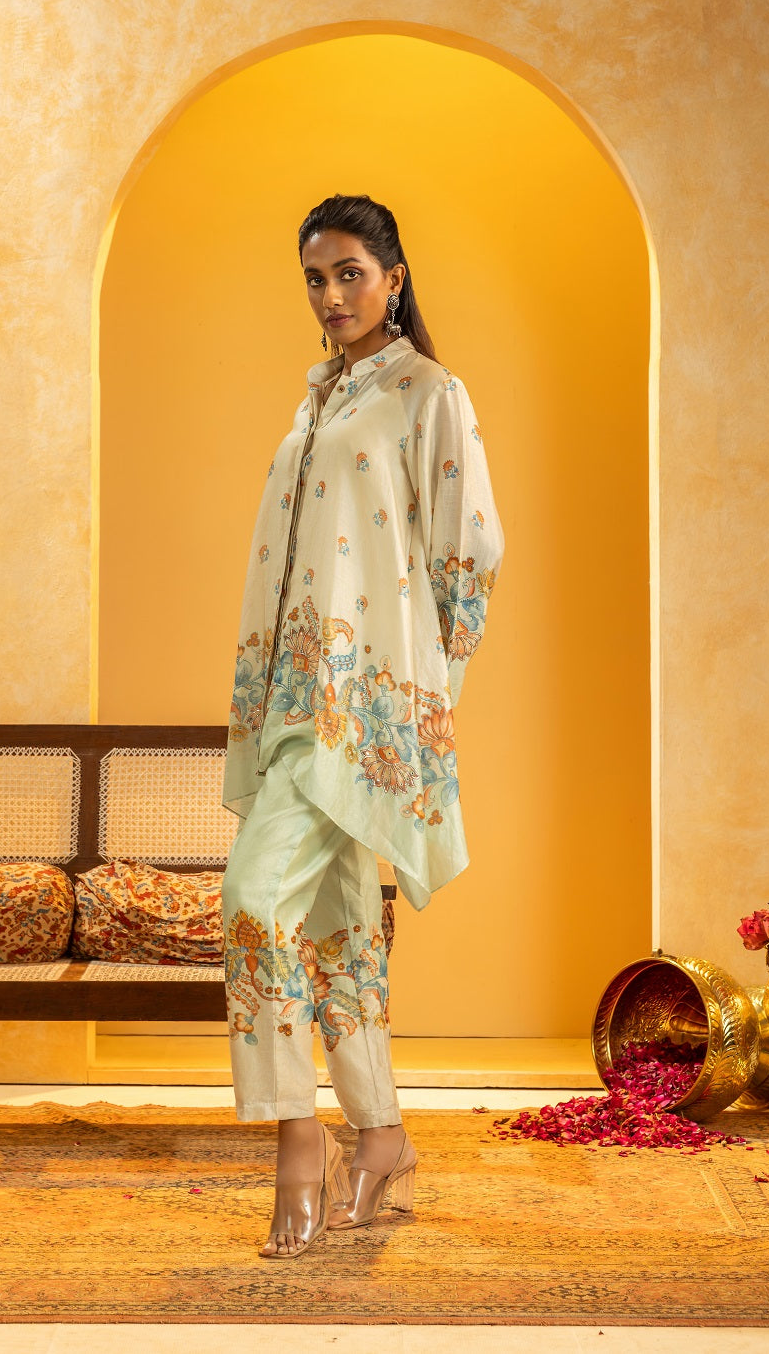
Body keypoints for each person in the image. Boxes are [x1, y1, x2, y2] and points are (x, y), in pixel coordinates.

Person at [220, 192, 504, 1259]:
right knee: (337, 928)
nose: (331, 294)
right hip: (287, 698)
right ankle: (379, 1133)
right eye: (315, 277)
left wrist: (419, 697)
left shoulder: (427, 392)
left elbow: (470, 550)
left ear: (393, 276)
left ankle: (300, 1142)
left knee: (253, 900)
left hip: (357, 705)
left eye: (349, 272)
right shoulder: (316, 400)